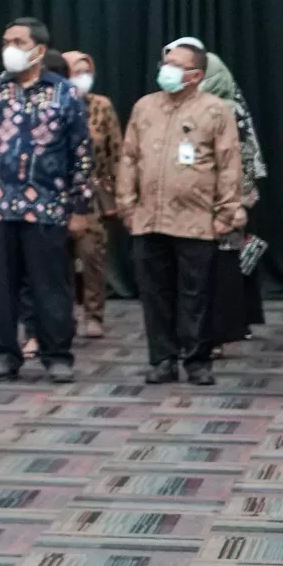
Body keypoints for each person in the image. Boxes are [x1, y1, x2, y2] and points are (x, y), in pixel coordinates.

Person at [0, 17, 93, 385]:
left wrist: (80, 208)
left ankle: (57, 355)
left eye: (18, 42)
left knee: (51, 285)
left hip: (48, 206)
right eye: (6, 42)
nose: (9, 49)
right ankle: (5, 354)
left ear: (39, 49)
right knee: (1, 287)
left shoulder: (65, 94)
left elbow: (82, 153)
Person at [118, 37, 241, 385]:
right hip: (148, 218)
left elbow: (229, 163)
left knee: (195, 294)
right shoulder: (145, 107)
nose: (165, 70)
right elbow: (129, 157)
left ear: (195, 75)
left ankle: (197, 360)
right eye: (165, 63)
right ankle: (163, 359)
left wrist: (226, 212)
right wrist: (126, 204)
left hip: (196, 220)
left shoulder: (215, 110)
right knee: (155, 294)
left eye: (175, 66)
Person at [198, 51, 266, 348]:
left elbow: (244, 158)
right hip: (198, 200)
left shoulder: (229, 108)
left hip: (228, 200)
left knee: (225, 265)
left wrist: (237, 202)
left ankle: (220, 332)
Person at [62, 51, 123, 340]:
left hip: (91, 195)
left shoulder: (102, 106)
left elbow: (117, 152)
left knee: (91, 256)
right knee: (57, 260)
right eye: (76, 72)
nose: (82, 77)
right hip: (55, 193)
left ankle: (93, 314)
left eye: (87, 71)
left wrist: (118, 193)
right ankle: (62, 315)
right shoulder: (53, 104)